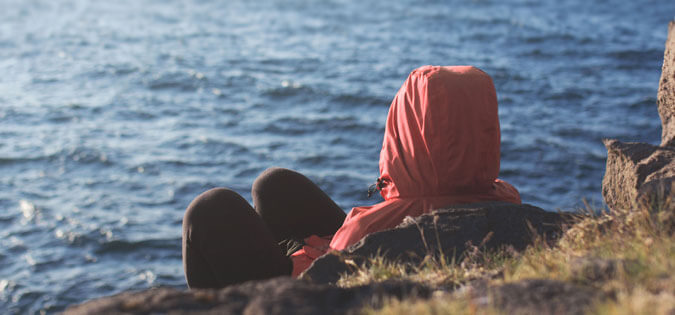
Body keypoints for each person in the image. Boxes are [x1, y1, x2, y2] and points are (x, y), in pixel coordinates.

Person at [182, 65, 521, 289]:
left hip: (311, 293)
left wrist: (311, 255)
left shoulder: (367, 231)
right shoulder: (506, 200)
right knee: (274, 185)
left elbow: (329, 279)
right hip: (385, 253)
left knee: (211, 209)